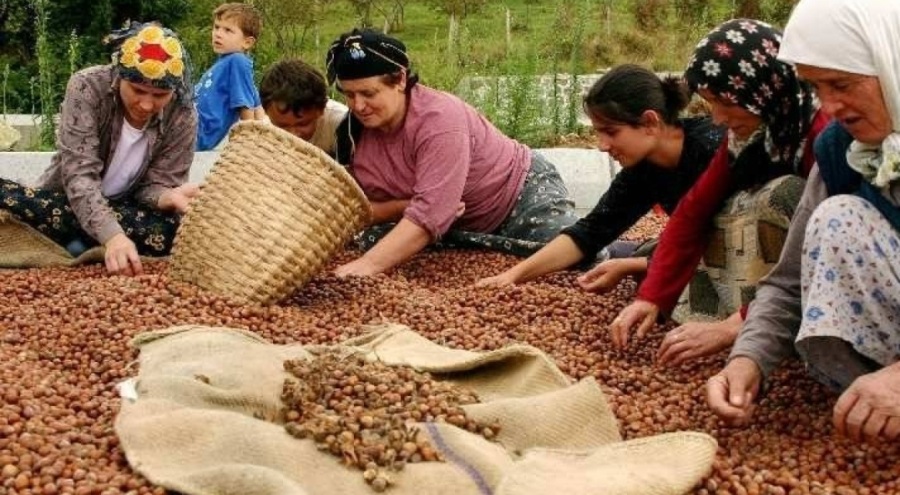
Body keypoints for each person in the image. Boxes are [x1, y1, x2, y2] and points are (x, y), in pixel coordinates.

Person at [708, 0, 900, 443]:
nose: (829, 107)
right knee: (837, 220)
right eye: (815, 88)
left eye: (842, 83)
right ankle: (867, 396)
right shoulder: (843, 150)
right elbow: (789, 280)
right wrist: (747, 359)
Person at [609, 19, 830, 364]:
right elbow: (693, 211)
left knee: (786, 193)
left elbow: (827, 252)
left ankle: (776, 328)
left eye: (726, 101)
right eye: (711, 102)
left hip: (816, 278)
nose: (717, 118)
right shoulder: (749, 137)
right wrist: (650, 297)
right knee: (724, 211)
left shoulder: (824, 135)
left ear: (763, 87)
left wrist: (735, 327)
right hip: (773, 284)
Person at [324, 28, 578, 277]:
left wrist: (367, 266)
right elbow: (353, 208)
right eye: (349, 94)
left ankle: (615, 251)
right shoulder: (350, 134)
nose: (358, 106)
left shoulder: (440, 121)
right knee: (363, 239)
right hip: (454, 226)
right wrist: (404, 206)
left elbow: (430, 214)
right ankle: (480, 245)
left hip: (517, 196)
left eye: (369, 93)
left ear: (400, 80)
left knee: (574, 255)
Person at [476, 64, 723, 290]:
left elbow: (732, 245)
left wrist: (634, 265)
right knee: (633, 259)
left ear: (649, 122)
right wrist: (512, 276)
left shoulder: (715, 150)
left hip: (739, 259)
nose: (602, 146)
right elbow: (590, 233)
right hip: (697, 248)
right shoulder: (643, 169)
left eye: (611, 132)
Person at [0, 22, 198, 276]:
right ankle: (92, 240)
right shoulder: (87, 87)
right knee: (15, 196)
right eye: (137, 90)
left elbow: (155, 185)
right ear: (119, 76)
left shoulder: (182, 114)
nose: (147, 105)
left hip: (127, 210)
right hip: (67, 200)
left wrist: (166, 197)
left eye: (159, 95)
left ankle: (73, 241)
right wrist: (113, 236)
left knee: (169, 230)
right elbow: (79, 175)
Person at [195, 2, 264, 151]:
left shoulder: (237, 61)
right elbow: (256, 103)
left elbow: (246, 106)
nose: (218, 33)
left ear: (247, 42)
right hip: (190, 127)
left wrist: (250, 145)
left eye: (228, 30)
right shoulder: (225, 62)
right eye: (216, 27)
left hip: (196, 133)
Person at [259, 58, 348, 156]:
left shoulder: (343, 124)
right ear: (267, 113)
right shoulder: (264, 133)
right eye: (282, 126)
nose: (292, 135)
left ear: (321, 109)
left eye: (302, 124)